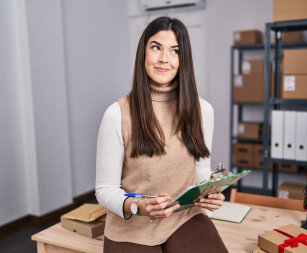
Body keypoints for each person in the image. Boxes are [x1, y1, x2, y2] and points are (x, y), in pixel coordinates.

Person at [95, 16, 228, 253]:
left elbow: (200, 170)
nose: (164, 59)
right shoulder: (116, 114)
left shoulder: (202, 110)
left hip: (184, 218)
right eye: (156, 47)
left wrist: (210, 193)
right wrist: (138, 206)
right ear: (143, 53)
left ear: (183, 59)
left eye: (175, 51)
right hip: (132, 225)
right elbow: (105, 190)